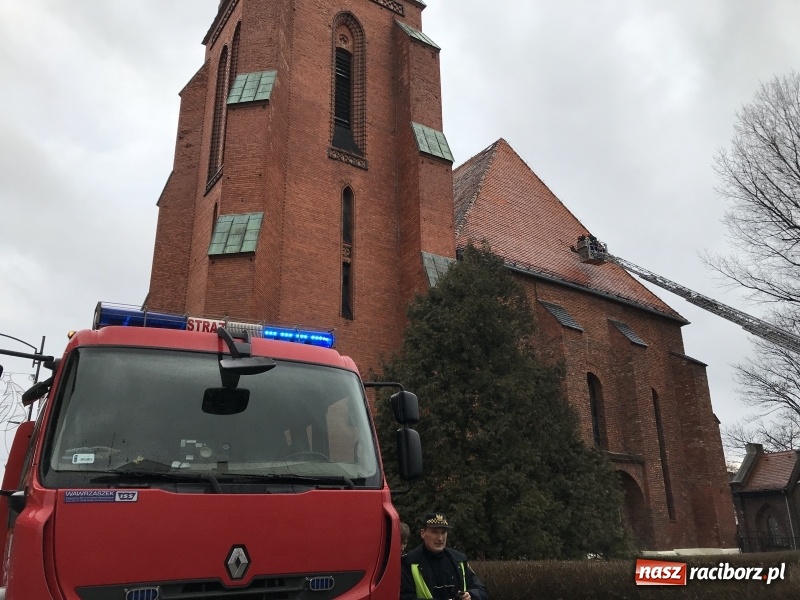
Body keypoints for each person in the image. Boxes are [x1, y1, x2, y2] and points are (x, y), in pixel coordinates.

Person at [401, 512, 488, 600]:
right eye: (435, 532)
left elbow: (481, 590)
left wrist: (470, 595)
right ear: (423, 533)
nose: (440, 538)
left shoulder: (459, 560)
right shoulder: (409, 562)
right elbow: (404, 597)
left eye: (443, 533)